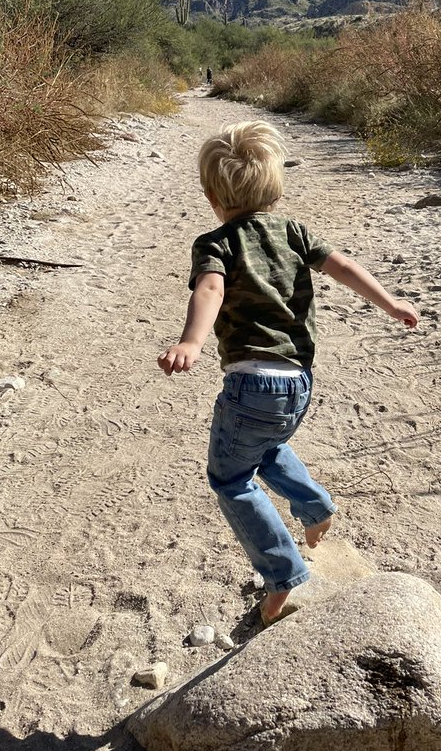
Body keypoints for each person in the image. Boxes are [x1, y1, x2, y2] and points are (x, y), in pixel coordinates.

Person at [158, 120, 418, 624]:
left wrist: (191, 341)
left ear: (212, 194)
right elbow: (342, 266)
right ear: (275, 187)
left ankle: (282, 576)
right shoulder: (295, 232)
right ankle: (315, 506)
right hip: (298, 383)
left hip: (251, 382)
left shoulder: (216, 243)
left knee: (230, 477)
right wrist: (390, 304)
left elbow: (209, 291)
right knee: (267, 446)